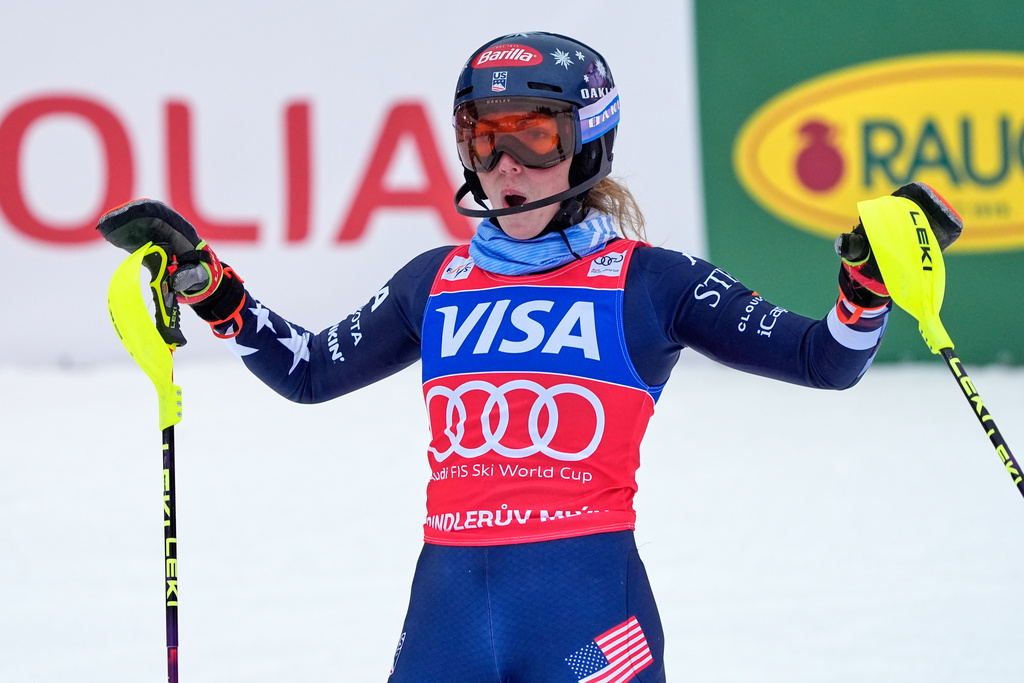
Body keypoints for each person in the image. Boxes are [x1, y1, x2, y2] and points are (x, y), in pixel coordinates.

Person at [98, 31, 963, 683]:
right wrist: (212, 290)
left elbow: (825, 358)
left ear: (585, 143)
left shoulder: (650, 282)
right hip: (444, 613)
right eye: (484, 135)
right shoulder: (433, 280)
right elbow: (310, 370)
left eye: (534, 135)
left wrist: (866, 284)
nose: (505, 161)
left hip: (587, 610)